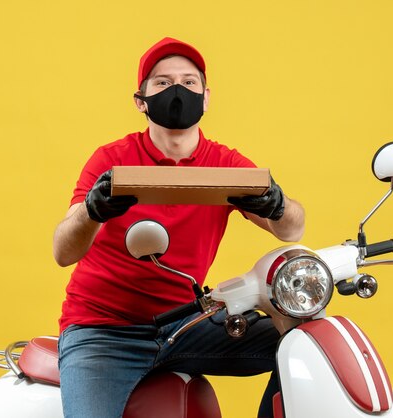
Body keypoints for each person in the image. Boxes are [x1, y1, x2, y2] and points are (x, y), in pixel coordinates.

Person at [53, 37, 305, 418]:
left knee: (304, 344)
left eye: (189, 82)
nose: (177, 90)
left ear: (205, 97)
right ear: (140, 100)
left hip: (186, 324)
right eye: (162, 82)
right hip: (104, 331)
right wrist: (92, 211)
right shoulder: (112, 160)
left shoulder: (226, 164)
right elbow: (63, 252)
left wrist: (277, 203)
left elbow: (291, 230)